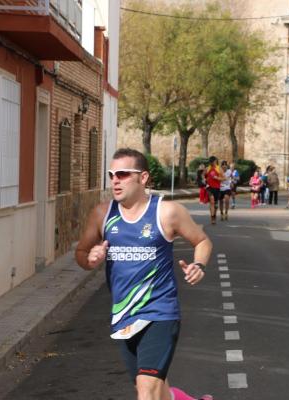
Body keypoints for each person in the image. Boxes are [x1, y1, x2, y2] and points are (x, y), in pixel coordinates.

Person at [75, 148, 213, 400]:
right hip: (124, 315)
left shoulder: (167, 212)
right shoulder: (102, 215)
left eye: (123, 174)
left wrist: (199, 265)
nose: (115, 180)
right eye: (112, 174)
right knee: (153, 389)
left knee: (146, 389)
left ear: (143, 178)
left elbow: (202, 241)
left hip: (160, 312)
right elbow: (81, 252)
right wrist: (90, 259)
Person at [205, 156, 222, 224]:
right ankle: (212, 217)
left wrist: (217, 178)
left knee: (215, 204)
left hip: (217, 188)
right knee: (212, 200)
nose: (214, 162)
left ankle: (214, 215)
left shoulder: (219, 169)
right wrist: (204, 179)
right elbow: (203, 175)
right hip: (209, 187)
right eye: (213, 161)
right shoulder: (208, 168)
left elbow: (224, 178)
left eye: (215, 161)